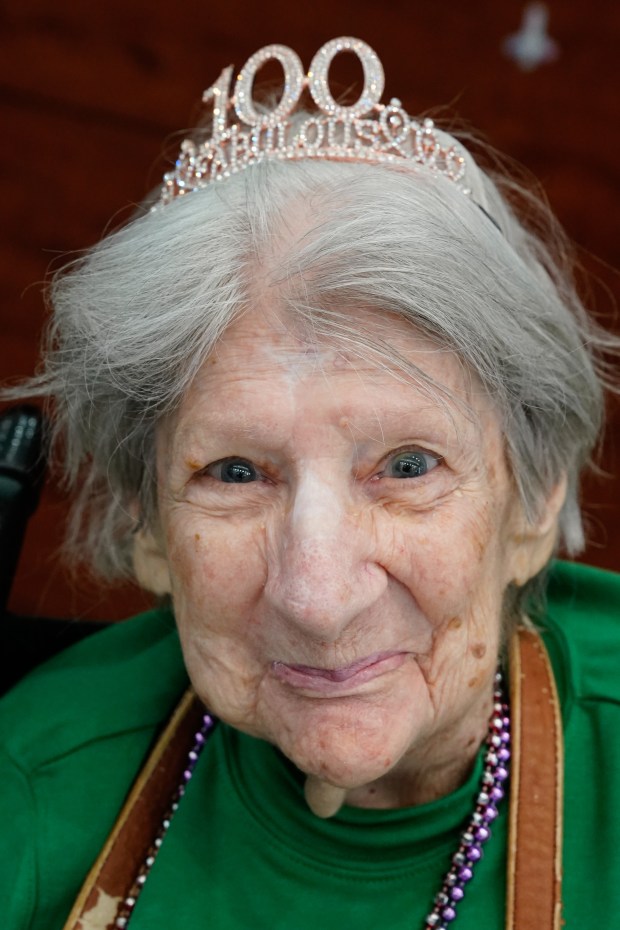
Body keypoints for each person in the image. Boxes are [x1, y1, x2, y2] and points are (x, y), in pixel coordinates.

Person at [1, 36, 619, 930]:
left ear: (534, 499)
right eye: (237, 473)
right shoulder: (30, 787)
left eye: (407, 467)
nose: (318, 598)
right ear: (147, 525)